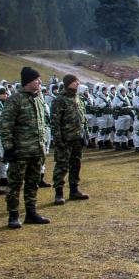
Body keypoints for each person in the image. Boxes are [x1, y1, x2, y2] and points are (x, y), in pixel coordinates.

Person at [0, 67, 51, 229]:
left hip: (37, 150)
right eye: (37, 80)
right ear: (28, 82)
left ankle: (31, 212)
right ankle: (13, 215)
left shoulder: (38, 99)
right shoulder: (15, 99)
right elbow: (5, 125)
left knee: (33, 182)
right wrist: (8, 148)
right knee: (15, 184)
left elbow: (42, 124)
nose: (40, 82)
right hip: (20, 151)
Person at [50, 75, 90, 205]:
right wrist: (58, 140)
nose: (77, 84)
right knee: (61, 166)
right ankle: (59, 193)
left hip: (77, 137)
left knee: (75, 165)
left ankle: (74, 190)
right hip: (65, 139)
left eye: (78, 81)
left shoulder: (78, 98)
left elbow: (82, 118)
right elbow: (55, 122)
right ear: (68, 83)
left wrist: (85, 134)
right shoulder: (59, 100)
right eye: (75, 82)